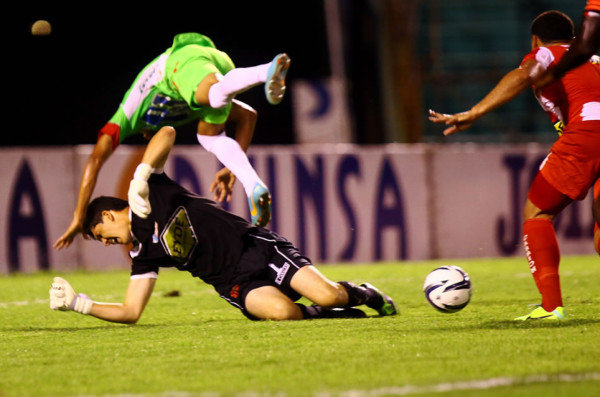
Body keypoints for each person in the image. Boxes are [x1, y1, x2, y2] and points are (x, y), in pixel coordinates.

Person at [48, 126, 398, 322]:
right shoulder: (143, 254)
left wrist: (141, 174)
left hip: (255, 248)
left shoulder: (150, 190)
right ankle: (328, 314)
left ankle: (363, 293)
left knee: (331, 293)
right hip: (233, 283)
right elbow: (130, 311)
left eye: (101, 236)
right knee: (283, 315)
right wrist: (80, 303)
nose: (108, 244)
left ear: (109, 215)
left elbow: (167, 133)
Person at [428, 10, 600, 320]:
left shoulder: (545, 53)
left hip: (586, 135)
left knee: (537, 212)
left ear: (535, 39)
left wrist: (474, 112)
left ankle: (551, 307)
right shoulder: (593, 59)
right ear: (574, 39)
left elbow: (524, 75)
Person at [54, 32, 290, 251]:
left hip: (180, 60)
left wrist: (78, 216)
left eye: (146, 134)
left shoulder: (128, 115)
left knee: (213, 94)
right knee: (209, 135)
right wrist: (230, 168)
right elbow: (249, 116)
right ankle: (253, 185)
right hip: (220, 63)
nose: (147, 135)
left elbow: (95, 159)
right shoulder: (175, 110)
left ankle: (265, 70)